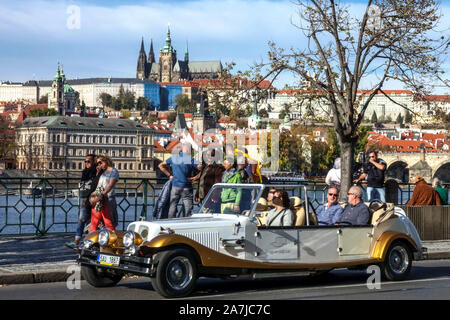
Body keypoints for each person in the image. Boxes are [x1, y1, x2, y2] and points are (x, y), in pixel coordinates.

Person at [158, 142, 198, 218]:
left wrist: (169, 175)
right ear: (188, 150)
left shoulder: (174, 157)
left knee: (172, 206)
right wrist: (196, 177)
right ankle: (188, 224)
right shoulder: (190, 159)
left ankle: (171, 223)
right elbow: (201, 167)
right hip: (186, 187)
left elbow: (160, 165)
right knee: (188, 208)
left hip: (175, 186)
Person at [66, 154, 97, 248]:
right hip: (85, 199)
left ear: (94, 162)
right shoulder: (86, 172)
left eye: (88, 161)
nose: (86, 163)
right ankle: (77, 241)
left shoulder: (96, 172)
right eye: (85, 161)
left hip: (95, 199)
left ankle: (92, 242)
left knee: (95, 222)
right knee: (82, 220)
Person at [89, 155, 119, 232]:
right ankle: (91, 241)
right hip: (98, 201)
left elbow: (110, 185)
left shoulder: (113, 171)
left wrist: (102, 195)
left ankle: (111, 241)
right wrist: (92, 196)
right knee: (94, 223)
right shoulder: (103, 173)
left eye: (100, 162)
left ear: (106, 160)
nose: (99, 165)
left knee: (108, 223)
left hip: (108, 199)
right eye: (97, 164)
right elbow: (98, 187)